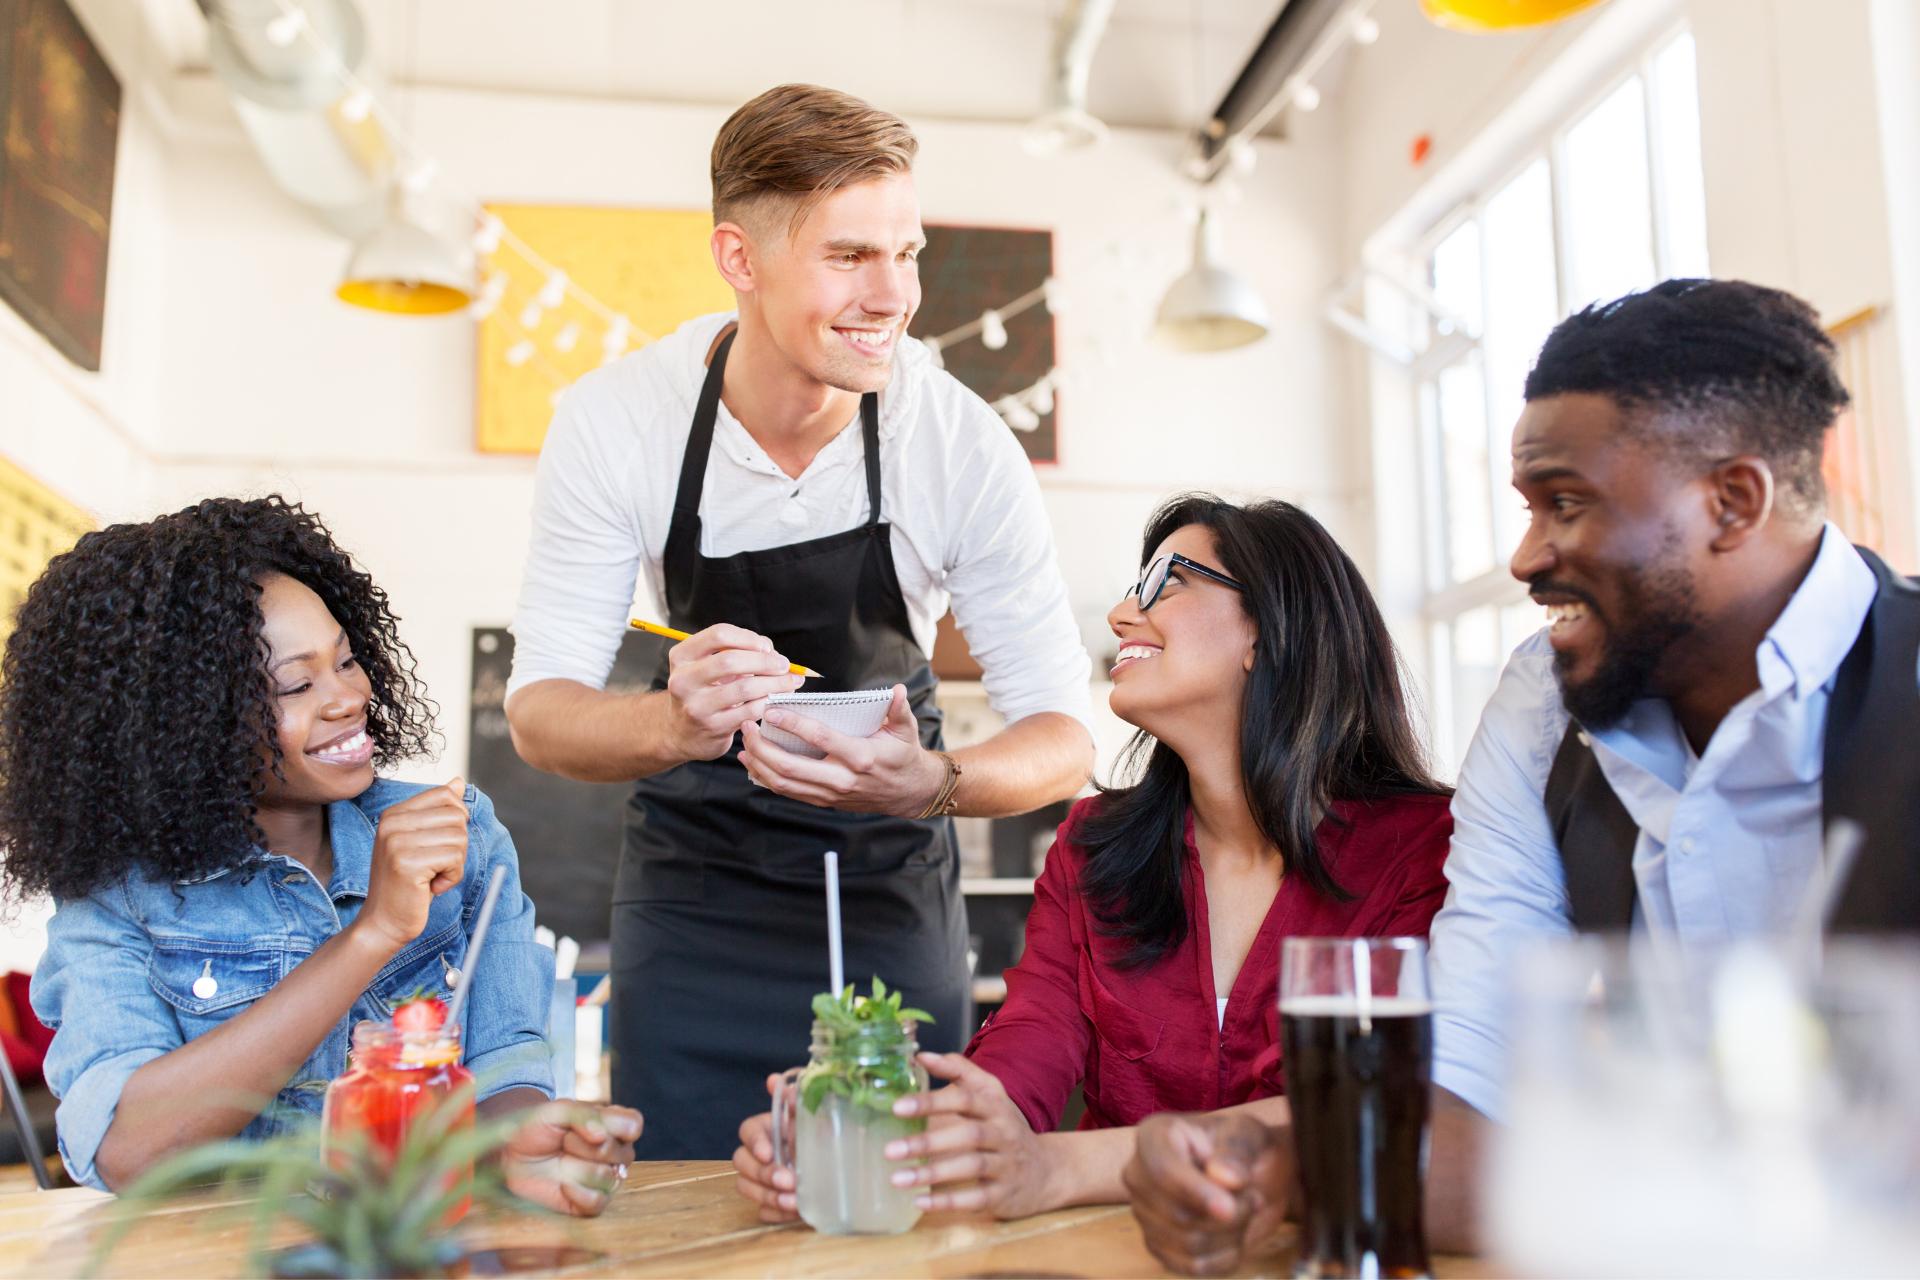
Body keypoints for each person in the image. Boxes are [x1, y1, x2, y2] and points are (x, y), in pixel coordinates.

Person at [1121, 278, 1920, 1273]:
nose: (1525, 555)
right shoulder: (1544, 702)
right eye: (1528, 507)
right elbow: (1465, 1085)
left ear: (1734, 501)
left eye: (1568, 504)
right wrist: (1275, 1162)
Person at [503, 84, 1094, 1157]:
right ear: (740, 258)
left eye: (908, 251)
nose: (896, 293)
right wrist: (671, 726)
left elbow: (1066, 733)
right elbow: (542, 713)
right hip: (695, 893)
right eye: (851, 256)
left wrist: (939, 782)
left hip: (886, 883)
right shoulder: (617, 423)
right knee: (688, 1194)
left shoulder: (956, 443)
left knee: (890, 1190)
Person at [732, 494, 1453, 1221]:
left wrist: (1060, 1167)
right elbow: (1026, 1051)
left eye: (1168, 582)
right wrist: (872, 1149)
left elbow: (1401, 1109)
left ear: (1268, 631)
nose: (1120, 614)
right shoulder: (1092, 847)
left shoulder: (1433, 850)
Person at [2, 496, 640, 1208]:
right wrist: (372, 933)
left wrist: (522, 1146)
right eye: (297, 685)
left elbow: (505, 1061)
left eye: (346, 659)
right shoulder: (120, 894)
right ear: (182, 727)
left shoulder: (461, 833)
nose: (347, 698)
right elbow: (126, 1148)